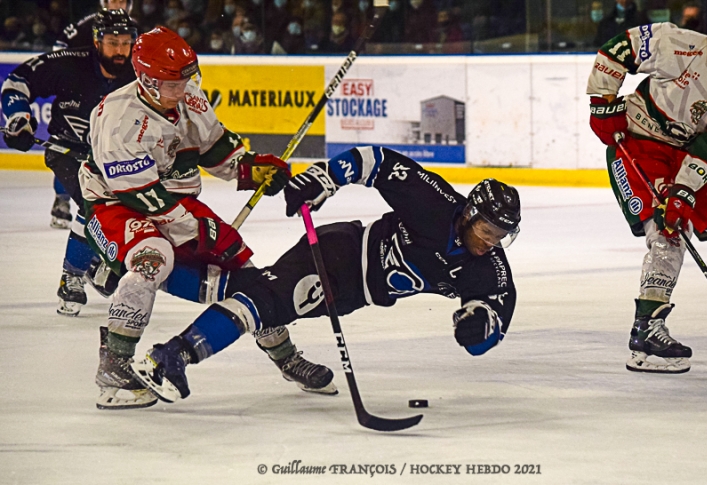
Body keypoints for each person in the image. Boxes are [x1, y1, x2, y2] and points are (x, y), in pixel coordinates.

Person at [129, 147, 521, 404]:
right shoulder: (435, 202)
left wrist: (478, 331)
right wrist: (325, 177)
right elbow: (378, 161)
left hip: (351, 294)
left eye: (501, 236)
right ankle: (171, 356)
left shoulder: (487, 266)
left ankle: (157, 276)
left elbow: (494, 314)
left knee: (252, 293)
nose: (491, 242)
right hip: (341, 252)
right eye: (487, 231)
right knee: (269, 302)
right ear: (469, 214)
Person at [80, 26, 335, 410]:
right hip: (117, 205)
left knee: (247, 274)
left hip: (170, 197)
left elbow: (214, 146)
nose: (183, 90)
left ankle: (286, 357)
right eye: (173, 84)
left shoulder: (188, 94)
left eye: (187, 79)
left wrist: (249, 169)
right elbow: (146, 199)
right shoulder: (118, 119)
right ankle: (115, 366)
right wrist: (201, 232)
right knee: (153, 257)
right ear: (147, 81)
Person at [587, 4, 707, 374]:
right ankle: (646, 329)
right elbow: (617, 50)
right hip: (639, 142)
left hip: (689, 157)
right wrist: (602, 102)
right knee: (668, 231)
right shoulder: (676, 43)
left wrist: (683, 192)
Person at [2, 10, 137, 316]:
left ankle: (96, 263)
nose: (120, 50)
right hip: (68, 151)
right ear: (96, 40)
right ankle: (74, 276)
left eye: (126, 43)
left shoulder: (138, 71)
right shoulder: (69, 63)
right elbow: (17, 81)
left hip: (115, 157)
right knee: (96, 205)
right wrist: (18, 117)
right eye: (112, 42)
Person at [50, 0, 136, 229]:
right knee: (72, 146)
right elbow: (58, 57)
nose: (117, 4)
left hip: (117, 96)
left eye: (122, 0)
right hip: (85, 96)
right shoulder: (83, 27)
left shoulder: (135, 29)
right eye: (113, 0)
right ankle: (63, 198)